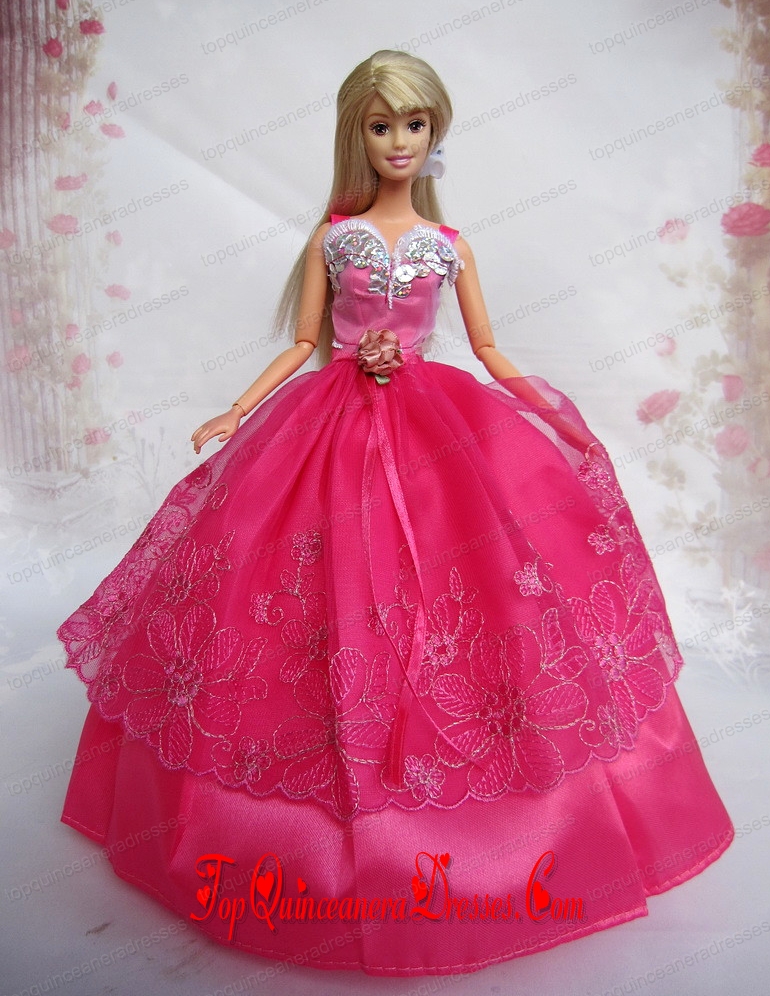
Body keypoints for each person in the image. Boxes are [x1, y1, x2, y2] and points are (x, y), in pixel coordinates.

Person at [57, 50, 733, 976]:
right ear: (357, 134)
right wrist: (237, 410)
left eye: (414, 125)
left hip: (432, 426)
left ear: (435, 132)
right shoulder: (333, 239)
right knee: (297, 582)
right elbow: (304, 340)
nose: (399, 142)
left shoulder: (448, 246)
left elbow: (488, 348)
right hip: (328, 425)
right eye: (382, 126)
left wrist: (552, 414)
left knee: (471, 586)